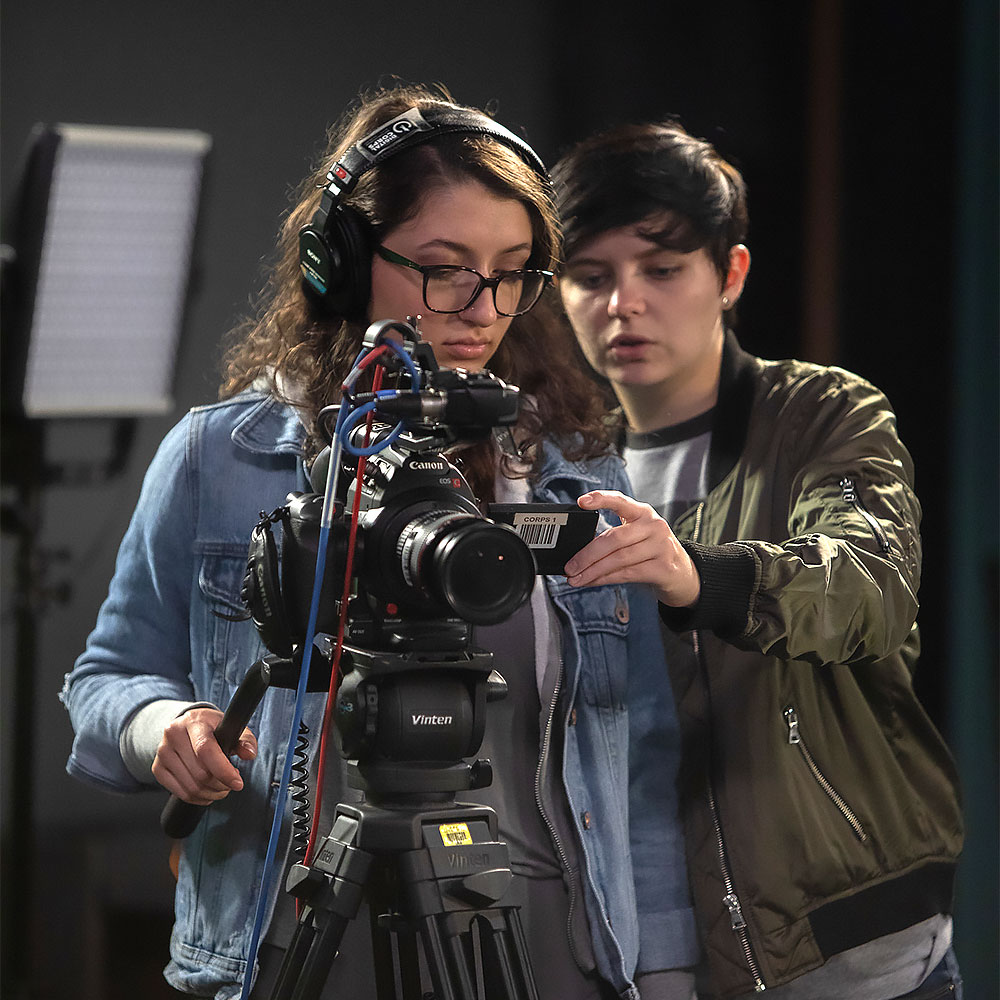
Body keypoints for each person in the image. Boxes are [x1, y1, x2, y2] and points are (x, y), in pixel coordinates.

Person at [60, 86, 698, 1000]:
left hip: (550, 945)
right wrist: (160, 727)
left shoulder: (570, 468)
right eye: (446, 269)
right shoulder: (218, 458)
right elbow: (108, 677)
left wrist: (665, 972)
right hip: (297, 936)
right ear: (346, 261)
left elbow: (639, 754)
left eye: (513, 271)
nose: (484, 308)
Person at [552, 121, 965, 1000]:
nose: (624, 304)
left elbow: (871, 584)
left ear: (729, 274)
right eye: (590, 276)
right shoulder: (558, 462)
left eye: (661, 270)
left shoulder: (820, 414)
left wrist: (701, 576)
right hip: (658, 952)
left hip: (857, 951)